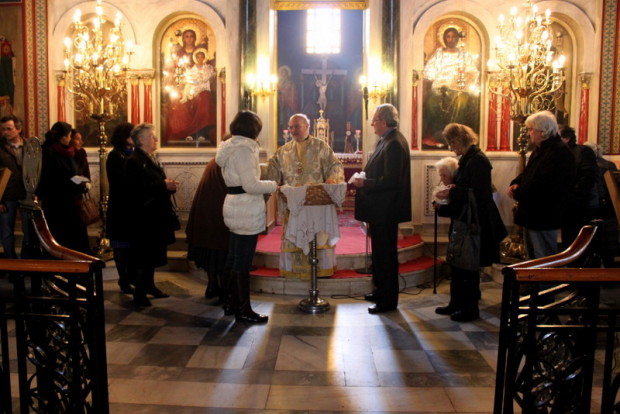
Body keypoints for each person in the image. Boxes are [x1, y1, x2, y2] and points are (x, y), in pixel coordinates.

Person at [434, 124, 507, 322]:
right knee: (457, 264)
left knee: (468, 266)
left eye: (452, 143)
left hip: (474, 222)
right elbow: (464, 188)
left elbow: (479, 193)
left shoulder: (478, 161)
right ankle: (456, 303)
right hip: (463, 220)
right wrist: (449, 194)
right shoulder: (467, 159)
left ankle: (469, 308)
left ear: (459, 140)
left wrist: (452, 191)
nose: (451, 148)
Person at [215, 111, 278, 323]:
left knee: (233, 258)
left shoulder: (230, 146)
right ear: (254, 129)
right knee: (241, 262)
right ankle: (243, 309)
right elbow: (251, 185)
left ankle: (230, 302)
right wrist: (274, 185)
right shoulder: (244, 150)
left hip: (235, 205)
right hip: (245, 209)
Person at [266, 113, 344, 278]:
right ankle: (295, 270)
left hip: (316, 203)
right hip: (294, 204)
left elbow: (335, 165)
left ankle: (319, 269)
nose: (293, 130)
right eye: (291, 127)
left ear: (307, 127)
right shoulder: (283, 151)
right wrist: (271, 181)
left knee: (317, 235)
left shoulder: (321, 146)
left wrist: (332, 177)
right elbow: (273, 170)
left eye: (297, 126)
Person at [353, 104, 411, 314]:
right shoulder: (388, 140)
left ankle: (387, 300)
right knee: (379, 255)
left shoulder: (394, 143)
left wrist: (365, 183)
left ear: (384, 122)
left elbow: (391, 180)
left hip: (386, 210)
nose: (372, 124)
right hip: (381, 210)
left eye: (375, 120)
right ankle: (380, 291)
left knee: (385, 257)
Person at [508, 111, 576, 260]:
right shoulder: (540, 150)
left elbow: (544, 185)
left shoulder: (558, 152)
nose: (529, 133)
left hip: (544, 215)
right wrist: (516, 183)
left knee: (544, 259)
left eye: (531, 129)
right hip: (531, 213)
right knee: (533, 258)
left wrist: (519, 193)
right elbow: (528, 174)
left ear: (543, 131)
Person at [125, 123, 178, 307]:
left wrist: (167, 185)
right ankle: (140, 293)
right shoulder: (133, 161)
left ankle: (149, 286)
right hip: (143, 218)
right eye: (151, 137)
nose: (155, 139)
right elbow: (137, 190)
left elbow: (154, 183)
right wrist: (163, 185)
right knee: (143, 256)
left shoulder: (149, 158)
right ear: (141, 140)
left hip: (154, 216)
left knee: (152, 255)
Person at [37, 121, 91, 254]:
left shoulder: (68, 152)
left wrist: (81, 181)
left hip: (71, 200)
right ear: (63, 137)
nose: (70, 139)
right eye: (69, 136)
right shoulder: (49, 152)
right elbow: (54, 177)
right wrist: (75, 181)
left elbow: (74, 173)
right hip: (57, 203)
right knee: (61, 237)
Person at [186, 137, 230, 302]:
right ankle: (224, 291)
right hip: (217, 216)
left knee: (212, 253)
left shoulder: (215, 160)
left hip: (206, 214)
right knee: (220, 253)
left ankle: (212, 284)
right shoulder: (226, 162)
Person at [422, 27, 480, 149]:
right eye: (448, 36)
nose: (451, 39)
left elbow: (473, 72)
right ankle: (438, 132)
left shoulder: (464, 55)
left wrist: (463, 77)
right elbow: (428, 71)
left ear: (458, 38)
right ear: (444, 38)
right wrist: (437, 77)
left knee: (461, 102)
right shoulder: (438, 54)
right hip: (440, 86)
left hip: (459, 88)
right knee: (431, 100)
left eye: (453, 36)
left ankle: (456, 133)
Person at [106, 121, 135, 294]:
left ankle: (130, 277)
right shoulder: (115, 156)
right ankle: (123, 278)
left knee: (130, 246)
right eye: (132, 134)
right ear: (124, 137)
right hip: (119, 208)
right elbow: (120, 181)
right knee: (120, 246)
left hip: (130, 208)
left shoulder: (131, 153)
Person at [559, 125, 599, 249]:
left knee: (578, 241)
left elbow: (589, 177)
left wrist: (572, 194)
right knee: (568, 240)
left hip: (580, 205)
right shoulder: (559, 153)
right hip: (566, 204)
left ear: (566, 138)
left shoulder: (583, 152)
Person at [0, 115, 34, 258]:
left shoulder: (29, 146)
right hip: (7, 195)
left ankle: (26, 260)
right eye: (3, 129)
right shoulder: (1, 147)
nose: (5, 132)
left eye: (9, 129)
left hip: (26, 194)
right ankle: (11, 261)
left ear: (19, 129)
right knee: (6, 231)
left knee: (29, 230)